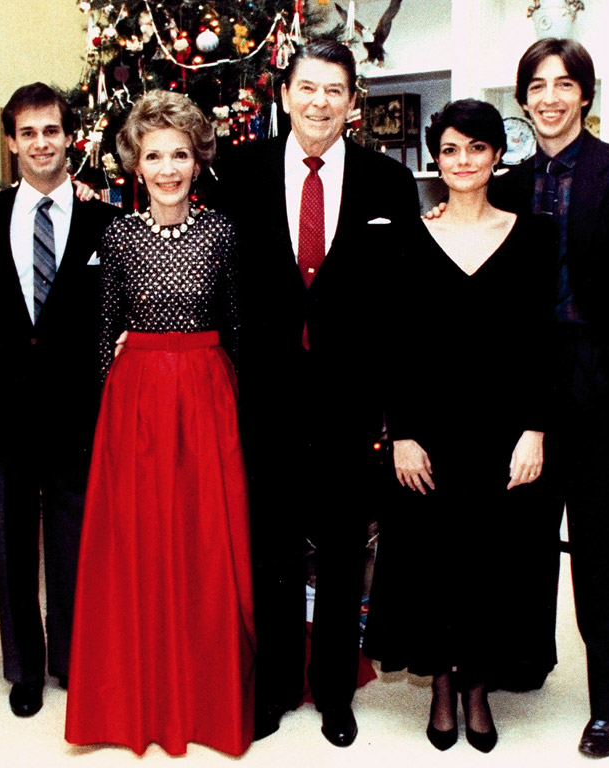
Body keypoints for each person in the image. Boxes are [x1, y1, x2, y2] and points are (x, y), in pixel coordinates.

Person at [424, 39, 609, 758]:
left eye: (563, 84)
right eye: (536, 86)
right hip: (516, 389)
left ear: (585, 95)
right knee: (519, 539)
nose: (549, 98)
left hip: (595, 383)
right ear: (522, 99)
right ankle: (525, 662)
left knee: (602, 551)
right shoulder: (505, 186)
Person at [215, 40, 423, 747]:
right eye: (307, 87)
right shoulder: (237, 171)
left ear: (353, 102)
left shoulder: (387, 182)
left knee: (341, 552)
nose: (319, 102)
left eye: (335, 90)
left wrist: (394, 409)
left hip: (349, 402)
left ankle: (335, 691)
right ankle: (275, 685)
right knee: (270, 550)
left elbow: (400, 303)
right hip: (264, 397)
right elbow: (215, 277)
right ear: (284, 94)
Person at [64, 90, 254, 756]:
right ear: (135, 165)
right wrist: (109, 421)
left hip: (206, 398)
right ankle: (140, 698)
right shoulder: (116, 237)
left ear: (197, 161)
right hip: (136, 404)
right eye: (154, 156)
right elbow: (104, 333)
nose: (168, 169)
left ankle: (205, 697)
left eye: (179, 155)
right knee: (139, 545)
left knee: (205, 543)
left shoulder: (222, 232)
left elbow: (237, 326)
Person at [361, 99, 555, 754]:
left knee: (493, 565)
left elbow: (542, 343)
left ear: (497, 156)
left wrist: (535, 429)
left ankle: (477, 688)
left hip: (503, 435)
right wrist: (402, 434)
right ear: (434, 160)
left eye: (476, 148)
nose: (463, 160)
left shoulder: (535, 236)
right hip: (429, 434)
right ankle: (441, 686)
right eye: (449, 149)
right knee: (431, 564)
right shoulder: (406, 238)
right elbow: (394, 346)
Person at [0, 83, 120, 717]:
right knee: (9, 544)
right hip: (2, 412)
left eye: (51, 130)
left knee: (72, 543)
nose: (40, 143)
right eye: (27, 133)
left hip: (76, 414)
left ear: (69, 136)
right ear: (10, 142)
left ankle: (71, 660)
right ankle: (24, 668)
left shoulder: (105, 221)